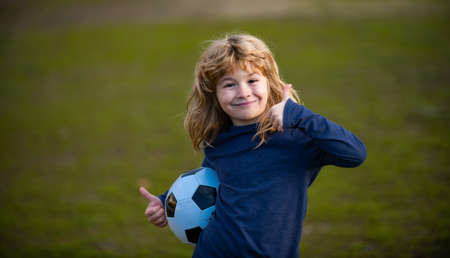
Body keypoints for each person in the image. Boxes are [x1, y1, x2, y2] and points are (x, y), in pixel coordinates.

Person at [139, 34, 367, 257]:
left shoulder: (297, 139)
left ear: (269, 82)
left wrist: (300, 116)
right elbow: (209, 182)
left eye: (252, 80)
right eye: (229, 84)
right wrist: (166, 202)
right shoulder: (220, 139)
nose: (243, 92)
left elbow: (355, 154)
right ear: (214, 94)